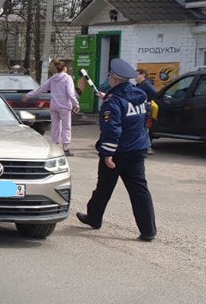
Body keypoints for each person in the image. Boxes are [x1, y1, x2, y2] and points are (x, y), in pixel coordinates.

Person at [76, 58, 157, 241]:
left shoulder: (113, 102)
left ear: (113, 78)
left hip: (118, 152)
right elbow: (135, 115)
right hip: (137, 148)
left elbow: (113, 129)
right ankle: (148, 230)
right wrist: (108, 98)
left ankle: (94, 218)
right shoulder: (138, 95)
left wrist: (107, 153)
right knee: (139, 190)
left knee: (103, 187)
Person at [25, 59, 78, 155]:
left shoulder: (53, 78)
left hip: (54, 106)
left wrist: (28, 95)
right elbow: (70, 93)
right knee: (66, 127)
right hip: (65, 106)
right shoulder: (67, 78)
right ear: (65, 68)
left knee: (55, 126)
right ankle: (65, 148)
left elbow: (41, 89)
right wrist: (76, 104)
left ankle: (54, 146)